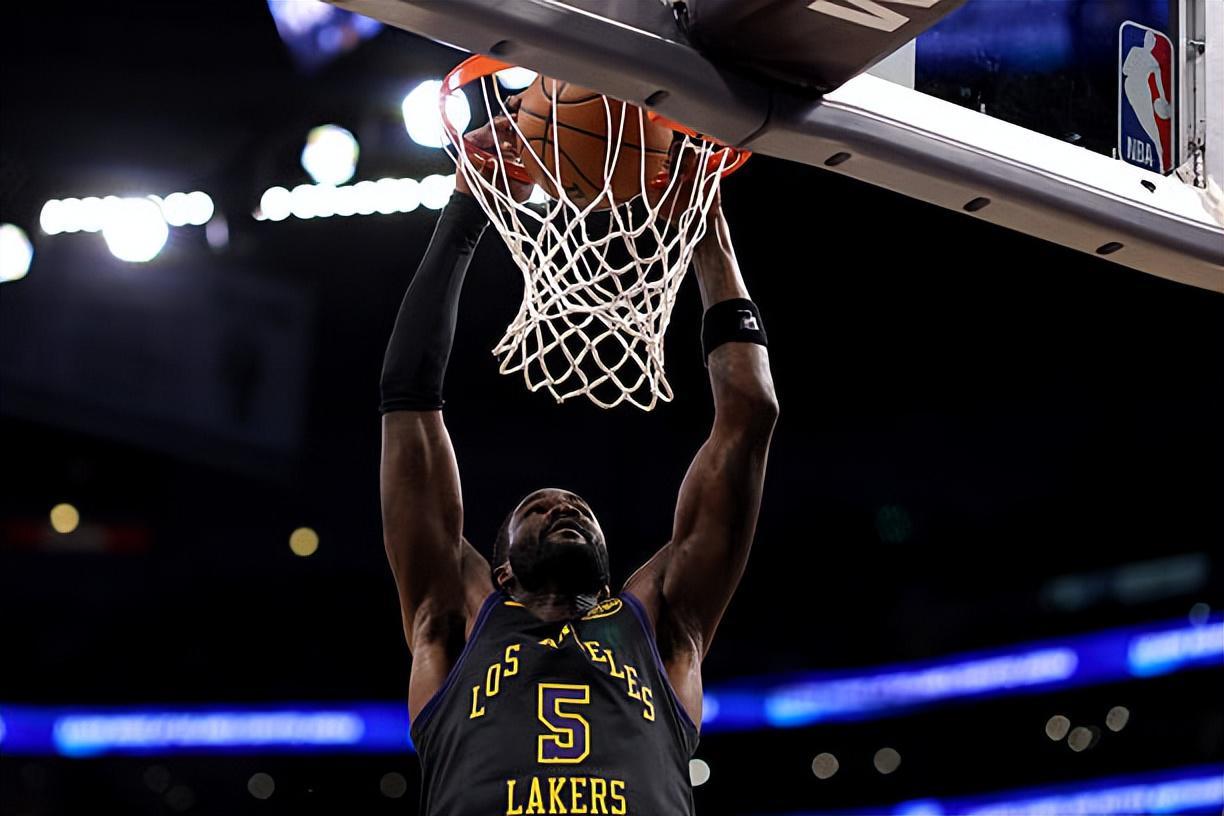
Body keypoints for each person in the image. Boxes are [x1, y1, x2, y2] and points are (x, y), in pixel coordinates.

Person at [378, 109, 778, 814]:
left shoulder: (662, 621)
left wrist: (709, 234)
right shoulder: (455, 618)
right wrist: (466, 207)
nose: (564, 505)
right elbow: (407, 403)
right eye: (539, 509)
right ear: (501, 570)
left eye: (577, 510)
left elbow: (752, 413)